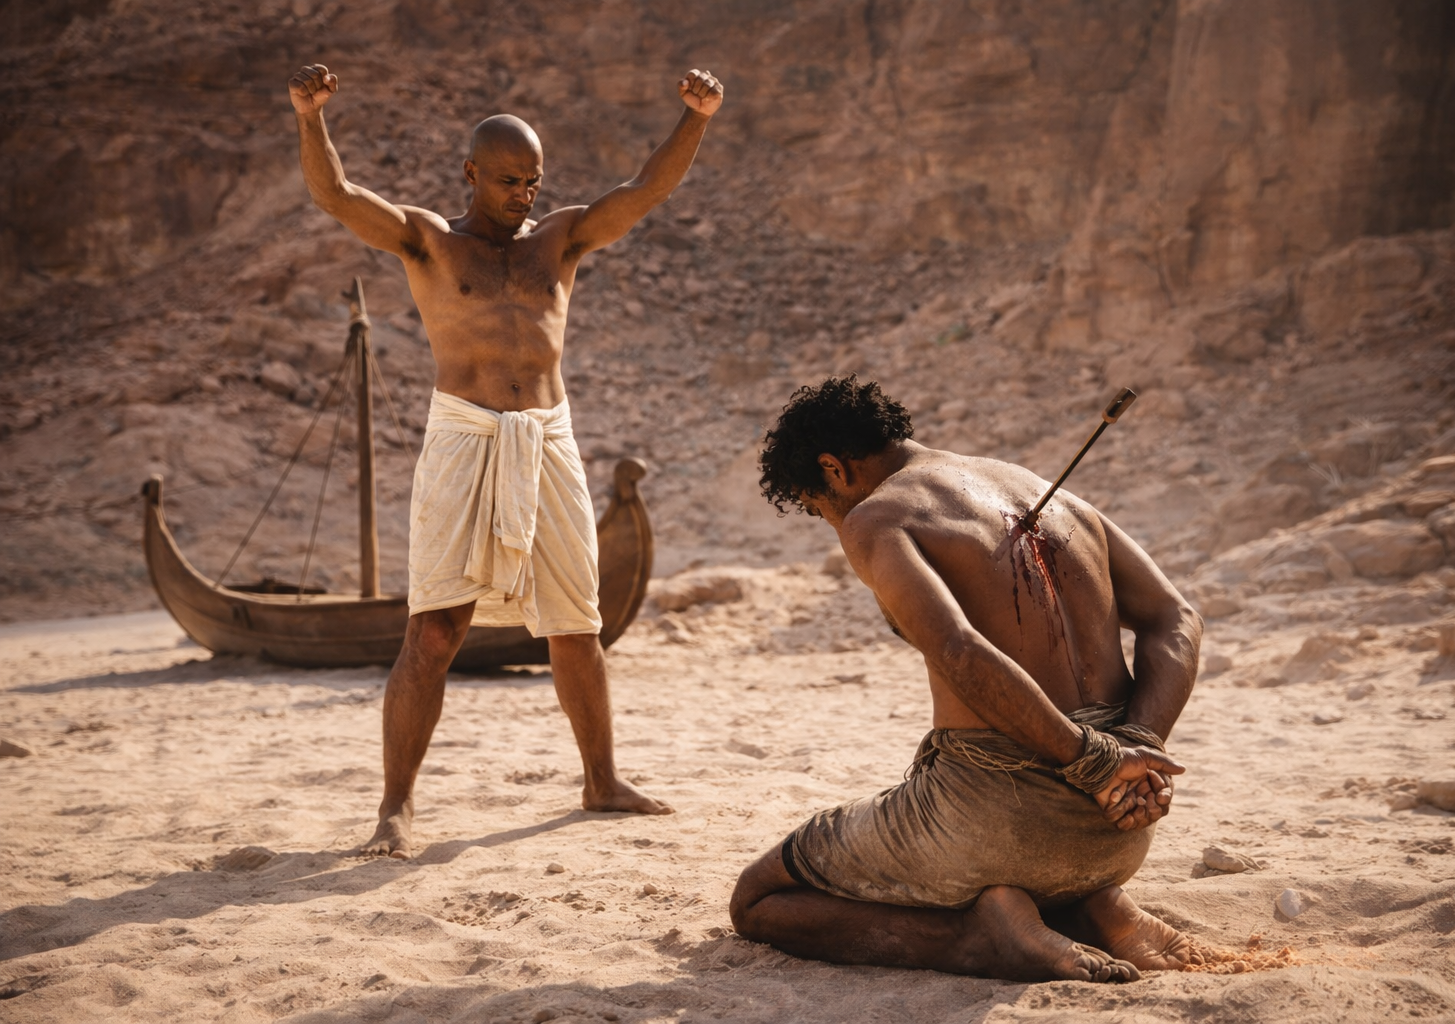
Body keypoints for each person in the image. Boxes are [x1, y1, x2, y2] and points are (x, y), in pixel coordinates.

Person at [288, 61, 726, 857]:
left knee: (576, 624)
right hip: (462, 435)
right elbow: (337, 197)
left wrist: (696, 118)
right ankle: (395, 808)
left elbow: (643, 190)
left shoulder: (559, 241)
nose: (525, 192)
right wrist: (308, 115)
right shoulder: (428, 242)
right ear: (471, 175)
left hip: (548, 437)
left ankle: (601, 780)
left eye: (534, 180)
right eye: (510, 181)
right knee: (435, 630)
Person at [730, 376, 1204, 982]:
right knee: (1035, 861)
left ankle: (974, 940)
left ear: (833, 469)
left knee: (758, 898)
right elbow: (1177, 617)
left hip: (992, 821)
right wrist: (1138, 747)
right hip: (1120, 824)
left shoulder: (877, 516)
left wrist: (1094, 761)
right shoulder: (1038, 486)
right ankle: (1091, 906)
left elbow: (959, 650)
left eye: (818, 506)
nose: (831, 521)